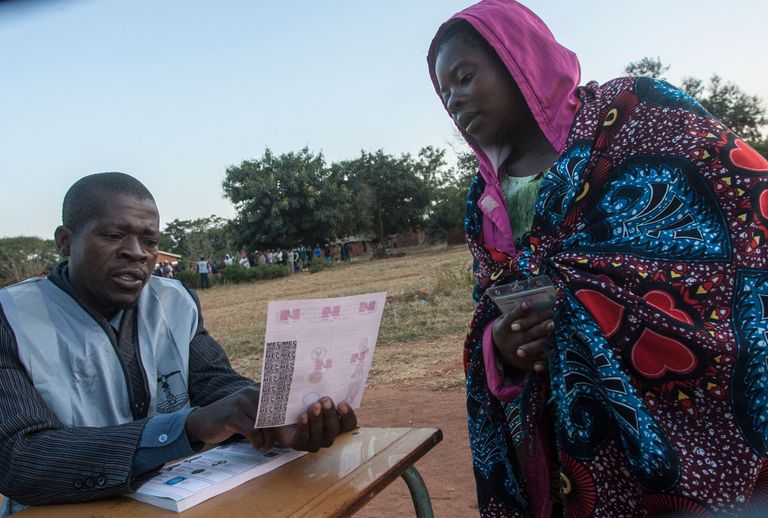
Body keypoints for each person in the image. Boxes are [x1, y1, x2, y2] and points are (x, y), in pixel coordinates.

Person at [428, 1, 768, 516]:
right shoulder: (484, 201)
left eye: (466, 76)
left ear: (519, 57)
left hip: (667, 394)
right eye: (445, 92)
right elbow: (489, 305)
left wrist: (594, 307)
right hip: (552, 429)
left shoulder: (630, 112)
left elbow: (740, 195)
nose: (455, 99)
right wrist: (502, 347)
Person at [0, 173, 357, 516]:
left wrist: (273, 416)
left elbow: (214, 385)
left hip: (175, 500)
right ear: (65, 241)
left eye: (150, 242)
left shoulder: (173, 300)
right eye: (113, 235)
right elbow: (21, 458)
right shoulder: (11, 317)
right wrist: (187, 426)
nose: (137, 253)